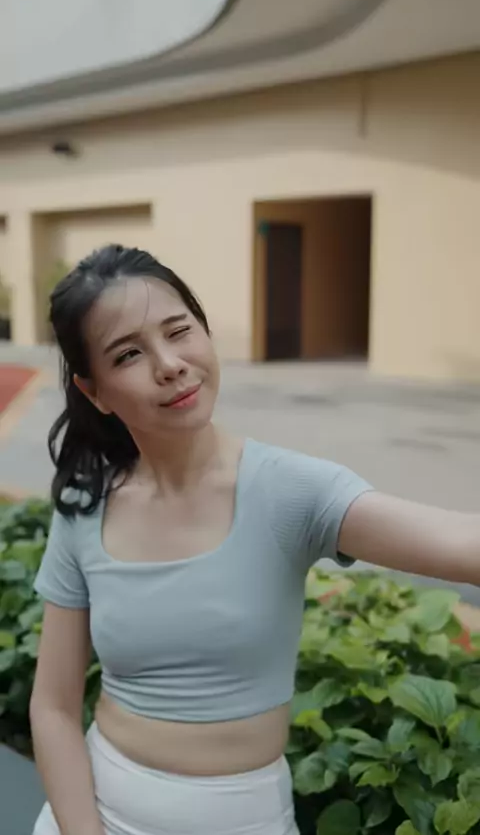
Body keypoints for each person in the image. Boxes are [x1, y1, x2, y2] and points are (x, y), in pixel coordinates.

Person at [30, 244, 479, 835]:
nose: (170, 364)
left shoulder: (291, 490)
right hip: (95, 810)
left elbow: (461, 542)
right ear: (95, 392)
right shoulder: (86, 505)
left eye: (179, 331)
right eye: (129, 354)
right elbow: (54, 707)